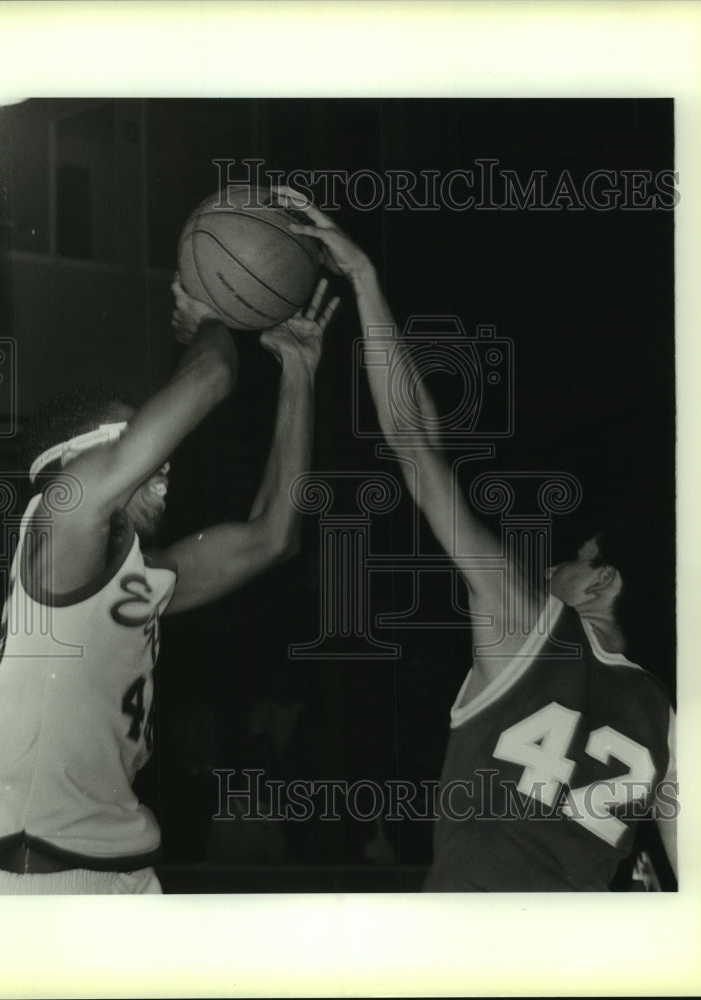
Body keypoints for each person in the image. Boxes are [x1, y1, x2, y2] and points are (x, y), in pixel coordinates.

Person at [280, 188, 677, 891]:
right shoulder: (666, 717)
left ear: (602, 581)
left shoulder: (531, 625)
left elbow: (413, 447)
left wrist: (364, 277)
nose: (551, 563)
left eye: (571, 558)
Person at [0, 273, 339, 894]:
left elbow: (272, 535)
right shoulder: (60, 516)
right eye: (144, 446)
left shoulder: (135, 578)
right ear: (76, 461)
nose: (165, 459)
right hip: (44, 871)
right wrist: (212, 310)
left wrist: (298, 370)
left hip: (121, 866)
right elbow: (209, 378)